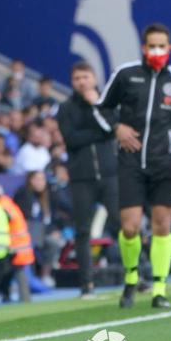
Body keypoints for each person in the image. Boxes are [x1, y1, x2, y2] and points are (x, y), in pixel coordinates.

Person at [96, 23, 171, 308]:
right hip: (130, 163)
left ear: (169, 48)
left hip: (164, 164)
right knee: (130, 227)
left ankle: (159, 289)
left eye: (162, 46)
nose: (157, 50)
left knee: (163, 225)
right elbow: (102, 107)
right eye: (152, 45)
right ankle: (131, 280)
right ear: (144, 47)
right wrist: (117, 127)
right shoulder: (126, 74)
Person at [56, 61, 120, 297]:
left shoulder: (107, 102)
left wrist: (97, 106)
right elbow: (71, 139)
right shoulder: (65, 108)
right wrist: (100, 133)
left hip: (110, 175)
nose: (81, 82)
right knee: (82, 231)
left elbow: (114, 127)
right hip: (81, 178)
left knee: (122, 226)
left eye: (85, 77)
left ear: (94, 78)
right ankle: (86, 285)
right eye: (77, 78)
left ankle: (138, 275)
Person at [0, 179, 35, 302]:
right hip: (19, 244)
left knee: (11, 271)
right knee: (10, 271)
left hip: (14, 245)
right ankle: (17, 298)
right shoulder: (6, 202)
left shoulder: (1, 204)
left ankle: (23, 300)